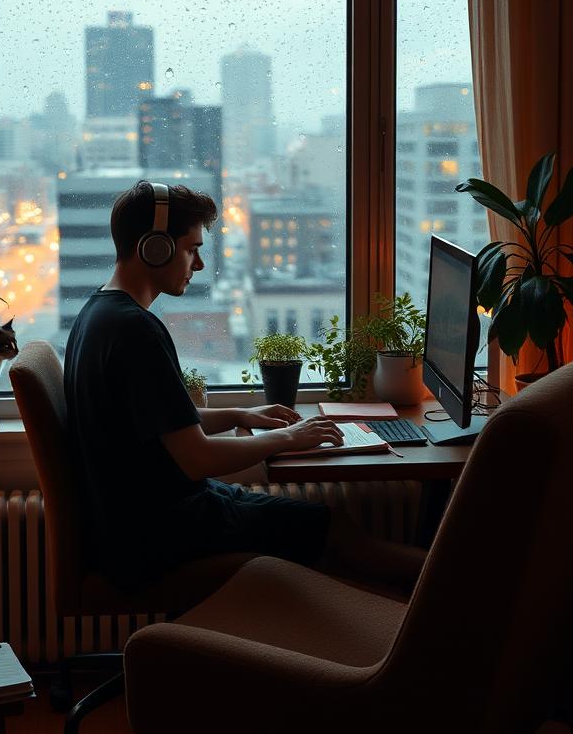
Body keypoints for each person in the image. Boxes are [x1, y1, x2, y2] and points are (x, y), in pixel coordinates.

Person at [63, 180, 424, 593]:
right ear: (155, 247)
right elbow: (196, 458)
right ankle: (456, 593)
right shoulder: (135, 331)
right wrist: (288, 438)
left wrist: (239, 414)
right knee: (333, 530)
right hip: (160, 535)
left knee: (326, 527)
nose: (197, 264)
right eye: (192, 248)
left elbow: (155, 419)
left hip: (139, 523)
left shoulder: (98, 314)